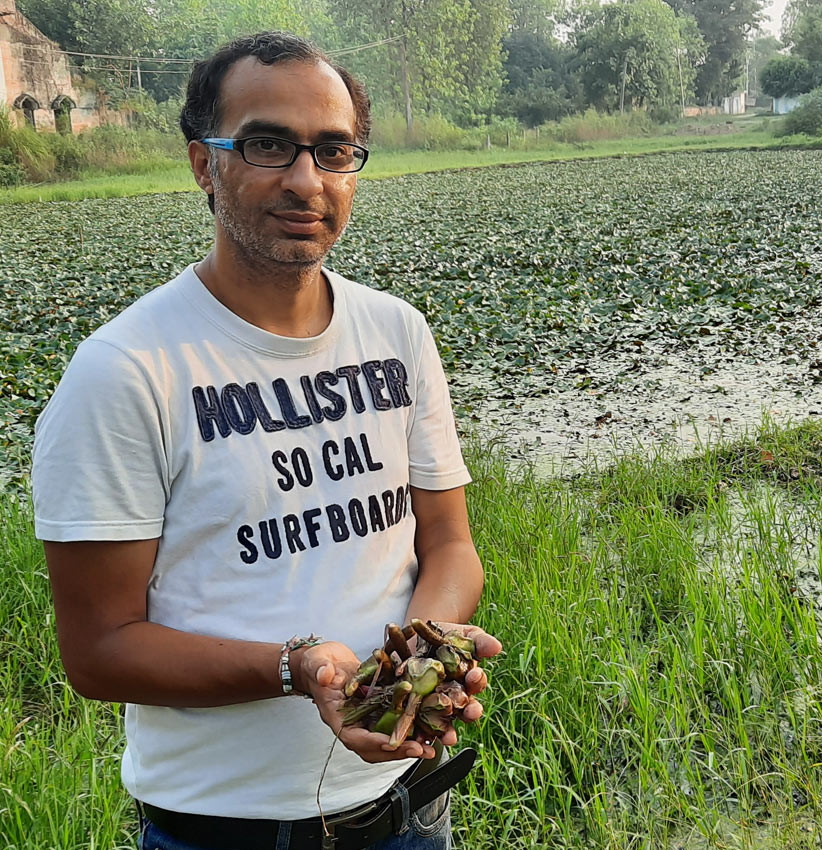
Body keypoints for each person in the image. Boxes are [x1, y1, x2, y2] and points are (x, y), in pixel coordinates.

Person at [30, 31, 501, 850]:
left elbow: (450, 544)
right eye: (267, 144)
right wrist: (294, 668)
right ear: (203, 164)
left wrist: (419, 660)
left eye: (333, 150)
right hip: (225, 832)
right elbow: (99, 651)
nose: (305, 179)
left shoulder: (396, 332)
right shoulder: (126, 371)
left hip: (411, 811)